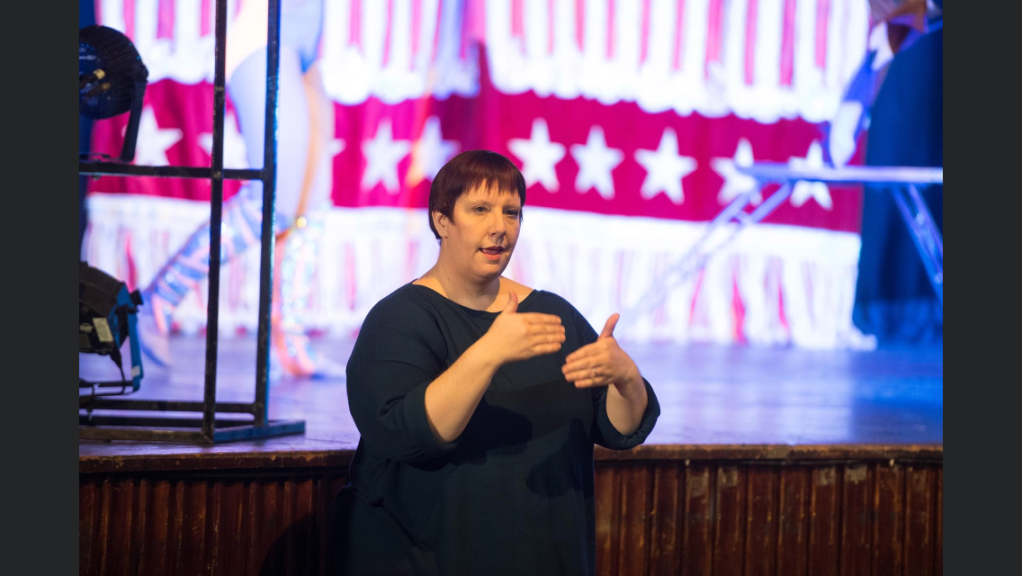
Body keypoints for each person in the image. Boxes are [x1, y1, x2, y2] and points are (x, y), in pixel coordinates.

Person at [332, 150, 660, 575]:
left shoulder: (552, 312)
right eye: (480, 210)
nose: (499, 227)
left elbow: (615, 429)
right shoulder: (399, 319)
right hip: (427, 556)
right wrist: (489, 352)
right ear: (441, 220)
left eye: (511, 213)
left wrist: (626, 380)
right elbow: (410, 434)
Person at [136, 0, 340, 378]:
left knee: (310, 206)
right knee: (274, 204)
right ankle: (158, 299)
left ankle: (291, 339)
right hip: (264, 37)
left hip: (305, 50)